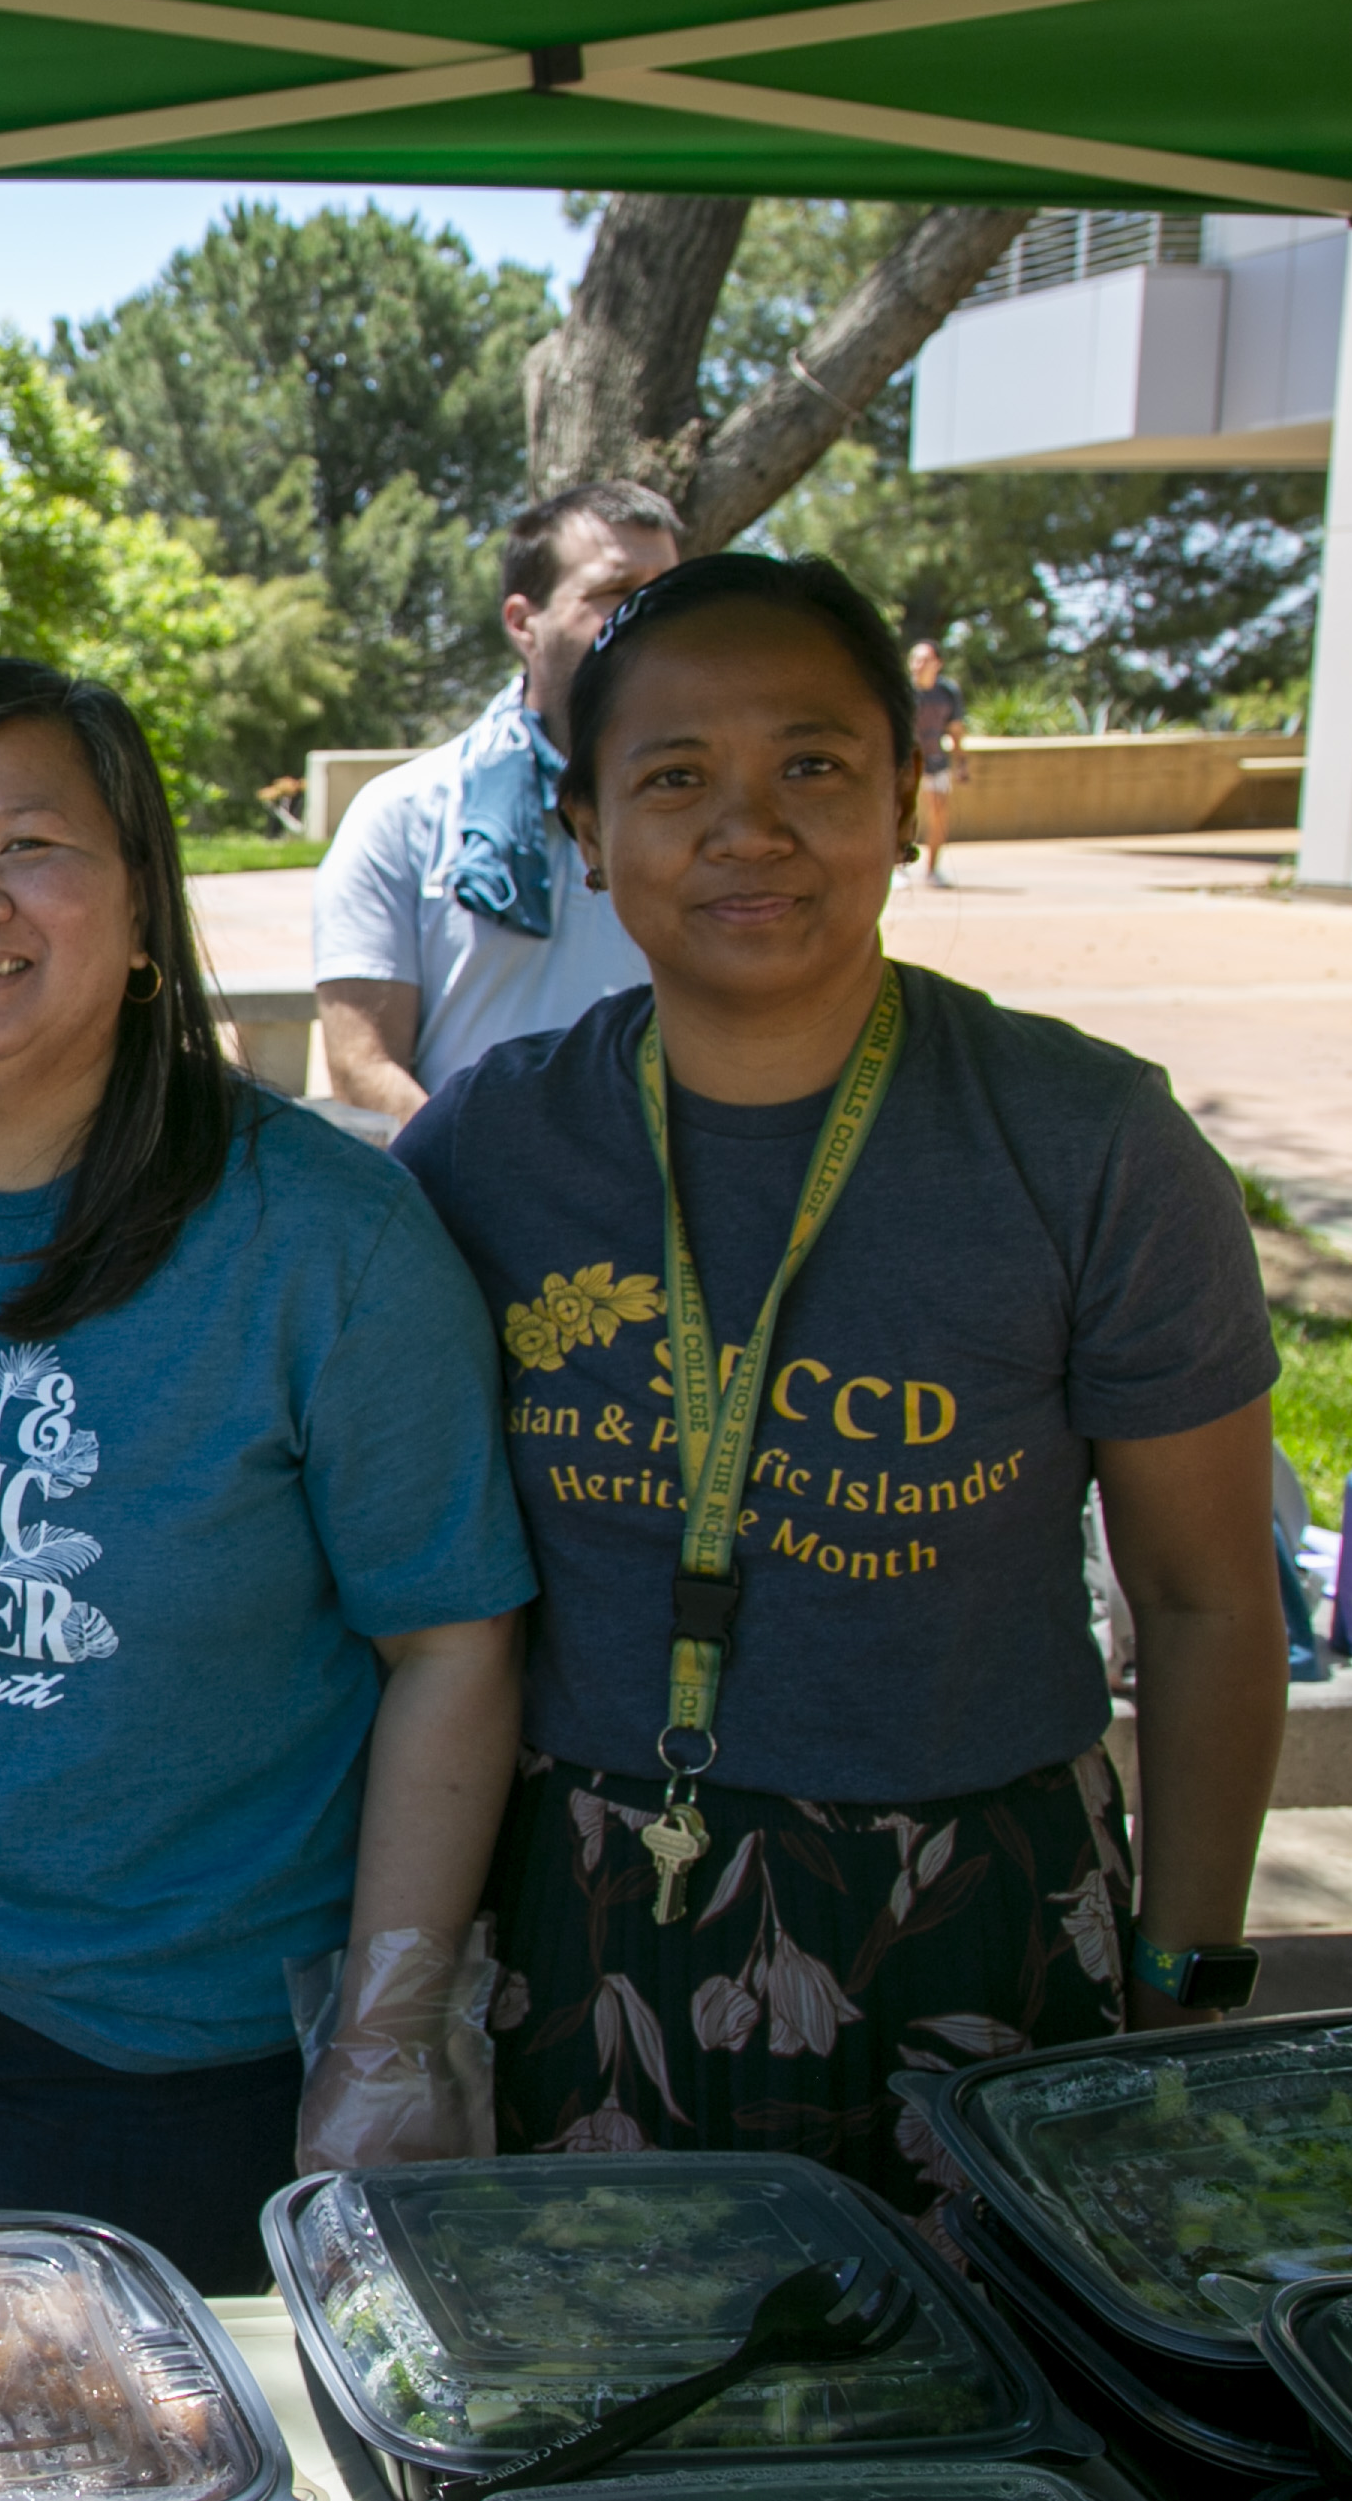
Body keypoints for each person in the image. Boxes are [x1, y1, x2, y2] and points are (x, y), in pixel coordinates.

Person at [395, 553, 1287, 2214]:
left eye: (810, 765)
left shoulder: (1087, 1143)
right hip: (577, 1914)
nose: (747, 829)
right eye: (672, 780)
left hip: (979, 1907)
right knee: (606, 2405)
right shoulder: (482, 1151)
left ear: (904, 793)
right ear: (584, 830)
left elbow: (1201, 1597)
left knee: (982, 2431)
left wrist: (1184, 1966)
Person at [0, 659, 531, 2288]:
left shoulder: (322, 1239)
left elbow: (449, 1643)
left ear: (143, 903)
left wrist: (386, 2032)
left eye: (29, 845)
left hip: (181, 2054)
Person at [315, 481, 682, 1119]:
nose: (651, 615)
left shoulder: (721, 819)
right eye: (616, 592)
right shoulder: (402, 814)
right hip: (470, 1205)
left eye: (666, 589)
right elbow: (361, 1064)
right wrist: (488, 1177)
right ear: (522, 622)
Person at [908, 640, 968, 886]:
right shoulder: (901, 691)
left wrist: (961, 762)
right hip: (905, 762)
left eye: (925, 660)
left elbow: (955, 730)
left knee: (939, 814)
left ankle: (931, 870)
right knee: (901, 815)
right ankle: (898, 869)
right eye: (916, 659)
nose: (919, 665)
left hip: (935, 760)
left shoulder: (947, 693)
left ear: (938, 664)